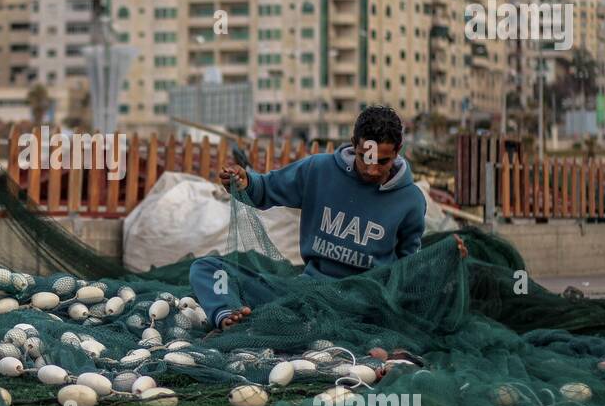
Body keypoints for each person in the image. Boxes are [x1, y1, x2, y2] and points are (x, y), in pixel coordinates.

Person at [190, 105, 449, 330]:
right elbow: (266, 189)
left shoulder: (410, 201)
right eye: (364, 158)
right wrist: (246, 183)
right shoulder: (319, 170)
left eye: (382, 161)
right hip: (307, 291)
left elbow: (406, 268)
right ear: (354, 143)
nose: (372, 169)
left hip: (362, 307)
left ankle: (284, 326)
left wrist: (446, 257)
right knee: (210, 270)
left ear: (398, 151)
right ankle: (227, 316)